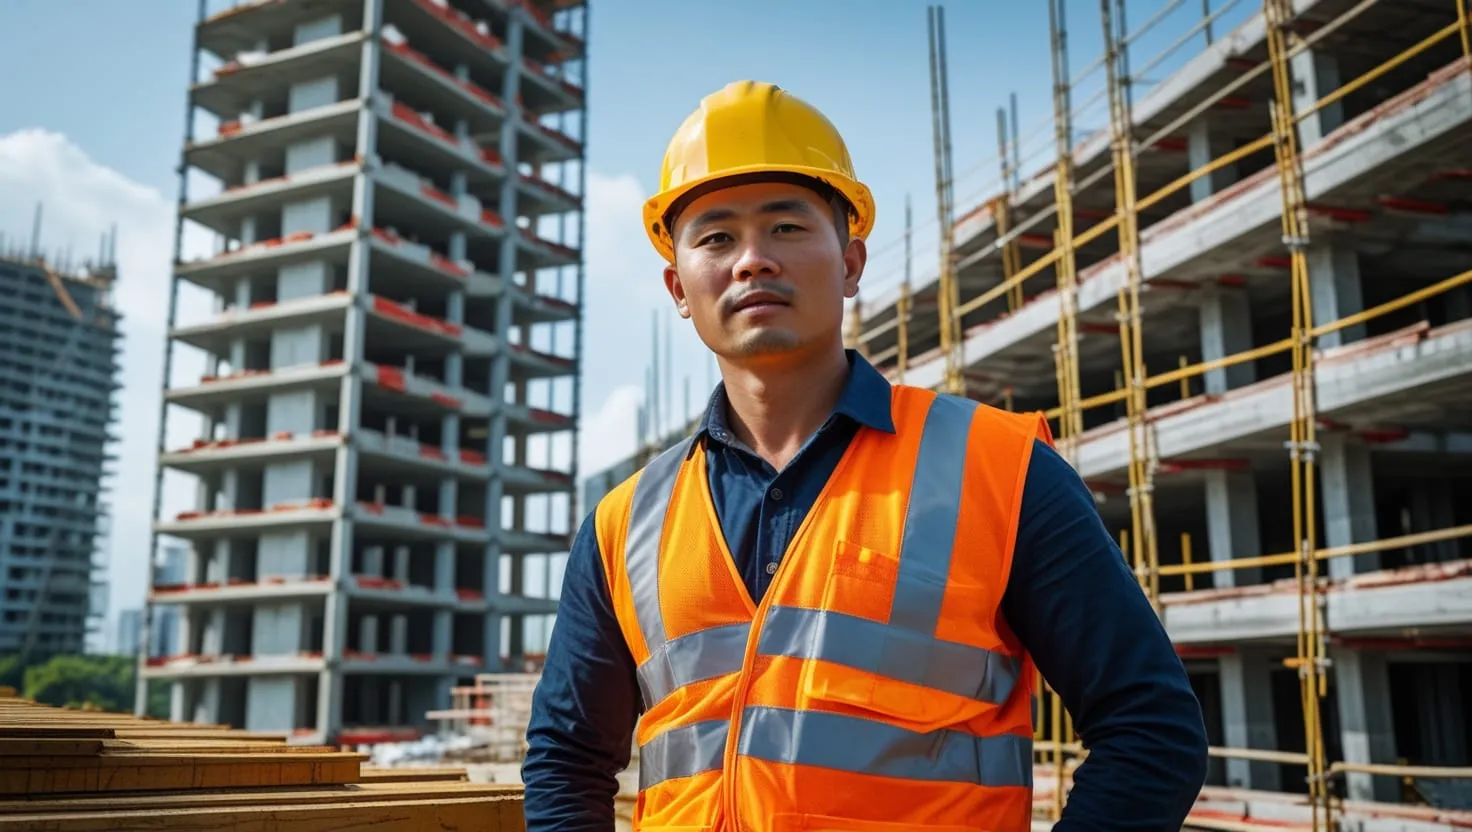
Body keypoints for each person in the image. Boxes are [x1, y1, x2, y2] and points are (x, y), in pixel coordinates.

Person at [522, 80, 1209, 831]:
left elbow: (1151, 729)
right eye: (715, 237)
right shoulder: (625, 527)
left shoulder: (998, 471)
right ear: (677, 287)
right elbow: (566, 760)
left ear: (851, 264)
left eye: (786, 226)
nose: (752, 260)